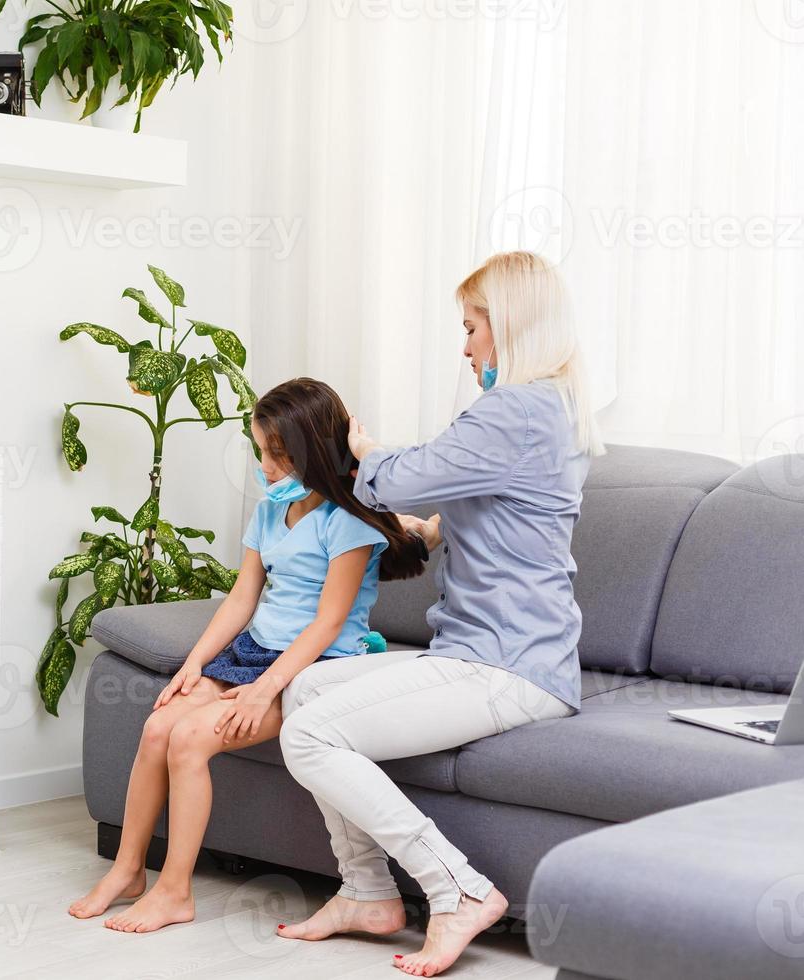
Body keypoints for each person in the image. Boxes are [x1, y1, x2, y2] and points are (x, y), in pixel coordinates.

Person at [275, 251, 605, 977]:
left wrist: (364, 451)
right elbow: (493, 511)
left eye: (472, 327)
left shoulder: (518, 408)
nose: (465, 347)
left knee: (307, 734)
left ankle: (458, 889)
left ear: (511, 326)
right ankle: (366, 893)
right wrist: (432, 533)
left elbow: (399, 479)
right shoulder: (549, 408)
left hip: (505, 666)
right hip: (482, 652)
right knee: (304, 689)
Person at [67, 377, 427, 933]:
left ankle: (174, 892)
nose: (266, 467)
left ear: (314, 452)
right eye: (261, 451)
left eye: (278, 455)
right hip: (254, 650)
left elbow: (328, 622)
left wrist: (264, 690)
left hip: (313, 668)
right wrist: (193, 664)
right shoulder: (268, 513)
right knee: (160, 725)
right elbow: (242, 597)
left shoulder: (349, 524)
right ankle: (129, 870)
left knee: (189, 739)